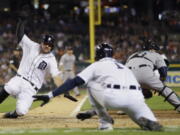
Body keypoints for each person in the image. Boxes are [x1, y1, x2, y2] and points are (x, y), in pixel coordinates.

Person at [33, 43, 162, 131]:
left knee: (92, 83)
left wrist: (50, 95)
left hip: (114, 98)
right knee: (143, 119)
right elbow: (143, 91)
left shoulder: (97, 65)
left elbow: (74, 82)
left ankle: (105, 122)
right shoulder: (123, 66)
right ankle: (146, 122)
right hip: (136, 98)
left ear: (98, 54)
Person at [0, 18, 64, 118]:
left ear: (52, 47)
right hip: (19, 79)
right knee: (9, 87)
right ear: (42, 42)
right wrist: (21, 22)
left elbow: (55, 75)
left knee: (21, 111)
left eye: (50, 45)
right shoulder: (31, 45)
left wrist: (64, 89)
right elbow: (20, 36)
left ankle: (13, 114)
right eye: (46, 43)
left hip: (31, 88)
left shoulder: (51, 59)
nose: (47, 46)